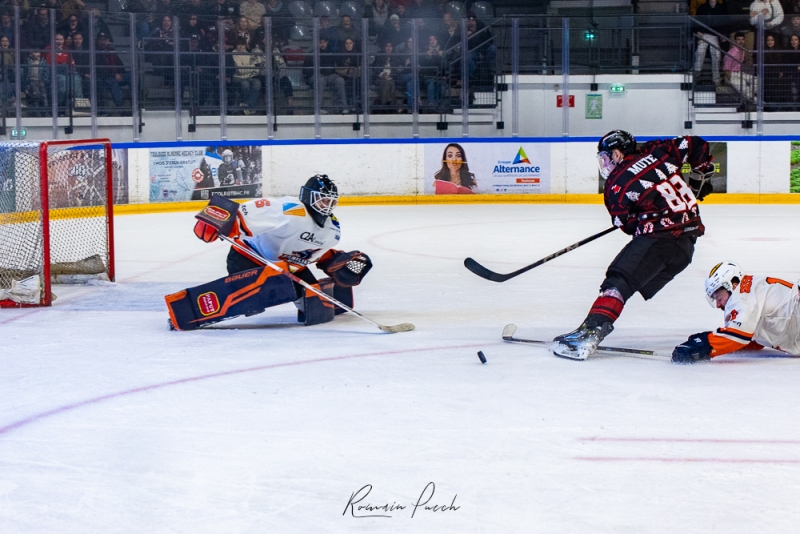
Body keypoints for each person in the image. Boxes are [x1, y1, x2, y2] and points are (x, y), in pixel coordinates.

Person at [551, 130, 714, 360]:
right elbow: (695, 144)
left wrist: (641, 218)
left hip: (660, 238)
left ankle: (590, 332)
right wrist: (702, 173)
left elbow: (626, 225)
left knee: (618, 280)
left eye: (607, 157)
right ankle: (595, 325)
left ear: (617, 154)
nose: (606, 164)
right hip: (686, 247)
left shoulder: (615, 184)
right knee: (629, 279)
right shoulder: (657, 150)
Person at [169, 176, 372, 329]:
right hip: (248, 258)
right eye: (322, 200)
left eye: (330, 202)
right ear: (309, 196)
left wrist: (336, 262)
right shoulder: (291, 210)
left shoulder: (332, 229)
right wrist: (219, 219)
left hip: (289, 267)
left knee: (315, 304)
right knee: (253, 300)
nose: (326, 207)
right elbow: (245, 214)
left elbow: (317, 254)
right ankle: (188, 311)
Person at [672, 262, 800, 363]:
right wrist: (714, 338)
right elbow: (749, 338)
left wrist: (704, 344)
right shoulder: (752, 288)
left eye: (718, 297)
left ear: (731, 284)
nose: (718, 304)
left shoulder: (741, 298)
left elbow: (737, 336)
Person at [694, 0, 726, 86]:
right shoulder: (702, 8)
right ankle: (696, 74)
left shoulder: (722, 8)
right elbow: (696, 22)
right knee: (700, 51)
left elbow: (725, 22)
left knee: (716, 55)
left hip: (715, 35)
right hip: (704, 34)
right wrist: (698, 31)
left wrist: (723, 34)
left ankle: (716, 79)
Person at [231, 37, 262, 113]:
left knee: (257, 82)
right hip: (237, 77)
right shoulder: (233, 54)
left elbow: (257, 69)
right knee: (245, 84)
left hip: (249, 76)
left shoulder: (249, 54)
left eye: (242, 45)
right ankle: (248, 107)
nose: (241, 47)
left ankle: (247, 105)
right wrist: (252, 67)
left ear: (245, 45)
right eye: (239, 45)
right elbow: (240, 71)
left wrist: (249, 68)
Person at [723, 31, 756, 102]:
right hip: (731, 74)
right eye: (738, 39)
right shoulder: (731, 53)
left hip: (739, 73)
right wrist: (732, 80)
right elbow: (726, 70)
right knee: (744, 87)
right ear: (735, 41)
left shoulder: (743, 51)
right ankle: (758, 103)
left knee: (757, 80)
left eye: (742, 39)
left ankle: (750, 96)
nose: (740, 41)